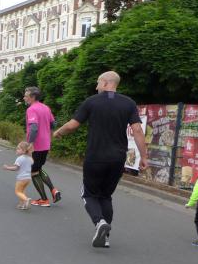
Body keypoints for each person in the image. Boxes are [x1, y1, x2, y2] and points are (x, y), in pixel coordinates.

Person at [54, 71, 148, 248]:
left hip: (95, 157)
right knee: (106, 196)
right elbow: (137, 130)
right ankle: (105, 238)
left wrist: (59, 132)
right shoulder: (128, 103)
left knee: (89, 194)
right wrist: (144, 156)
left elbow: (73, 125)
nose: (96, 87)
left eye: (98, 83)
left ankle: (99, 222)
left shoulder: (91, 102)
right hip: (117, 159)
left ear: (105, 83)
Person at [24, 86, 62, 207]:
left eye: (26, 95)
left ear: (32, 97)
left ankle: (44, 200)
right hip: (46, 144)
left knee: (33, 172)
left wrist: (30, 143)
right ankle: (54, 190)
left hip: (36, 145)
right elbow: (53, 123)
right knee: (38, 168)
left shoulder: (31, 109)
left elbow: (34, 128)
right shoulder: (46, 107)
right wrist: (47, 132)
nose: (24, 97)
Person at [2, 142, 33, 210]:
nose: (16, 150)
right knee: (22, 191)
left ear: (24, 151)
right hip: (28, 178)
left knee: (17, 191)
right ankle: (22, 204)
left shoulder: (20, 158)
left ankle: (26, 200)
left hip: (21, 178)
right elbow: (32, 163)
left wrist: (7, 168)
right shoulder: (30, 158)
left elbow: (16, 168)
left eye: (18, 149)